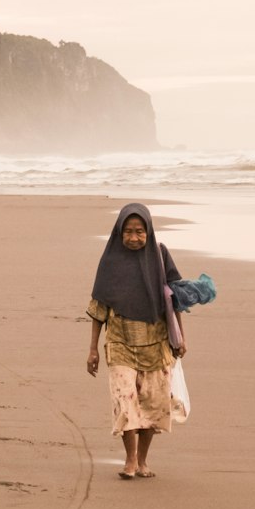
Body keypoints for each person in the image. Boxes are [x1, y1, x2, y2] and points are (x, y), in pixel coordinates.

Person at [86, 202, 188, 479]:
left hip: (156, 344)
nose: (134, 237)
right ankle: (130, 460)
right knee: (126, 401)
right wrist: (93, 349)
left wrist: (180, 335)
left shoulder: (160, 255)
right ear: (119, 232)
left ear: (149, 231)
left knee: (152, 404)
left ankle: (143, 460)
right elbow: (98, 308)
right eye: (128, 232)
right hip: (120, 342)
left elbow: (174, 298)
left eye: (139, 232)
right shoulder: (110, 261)